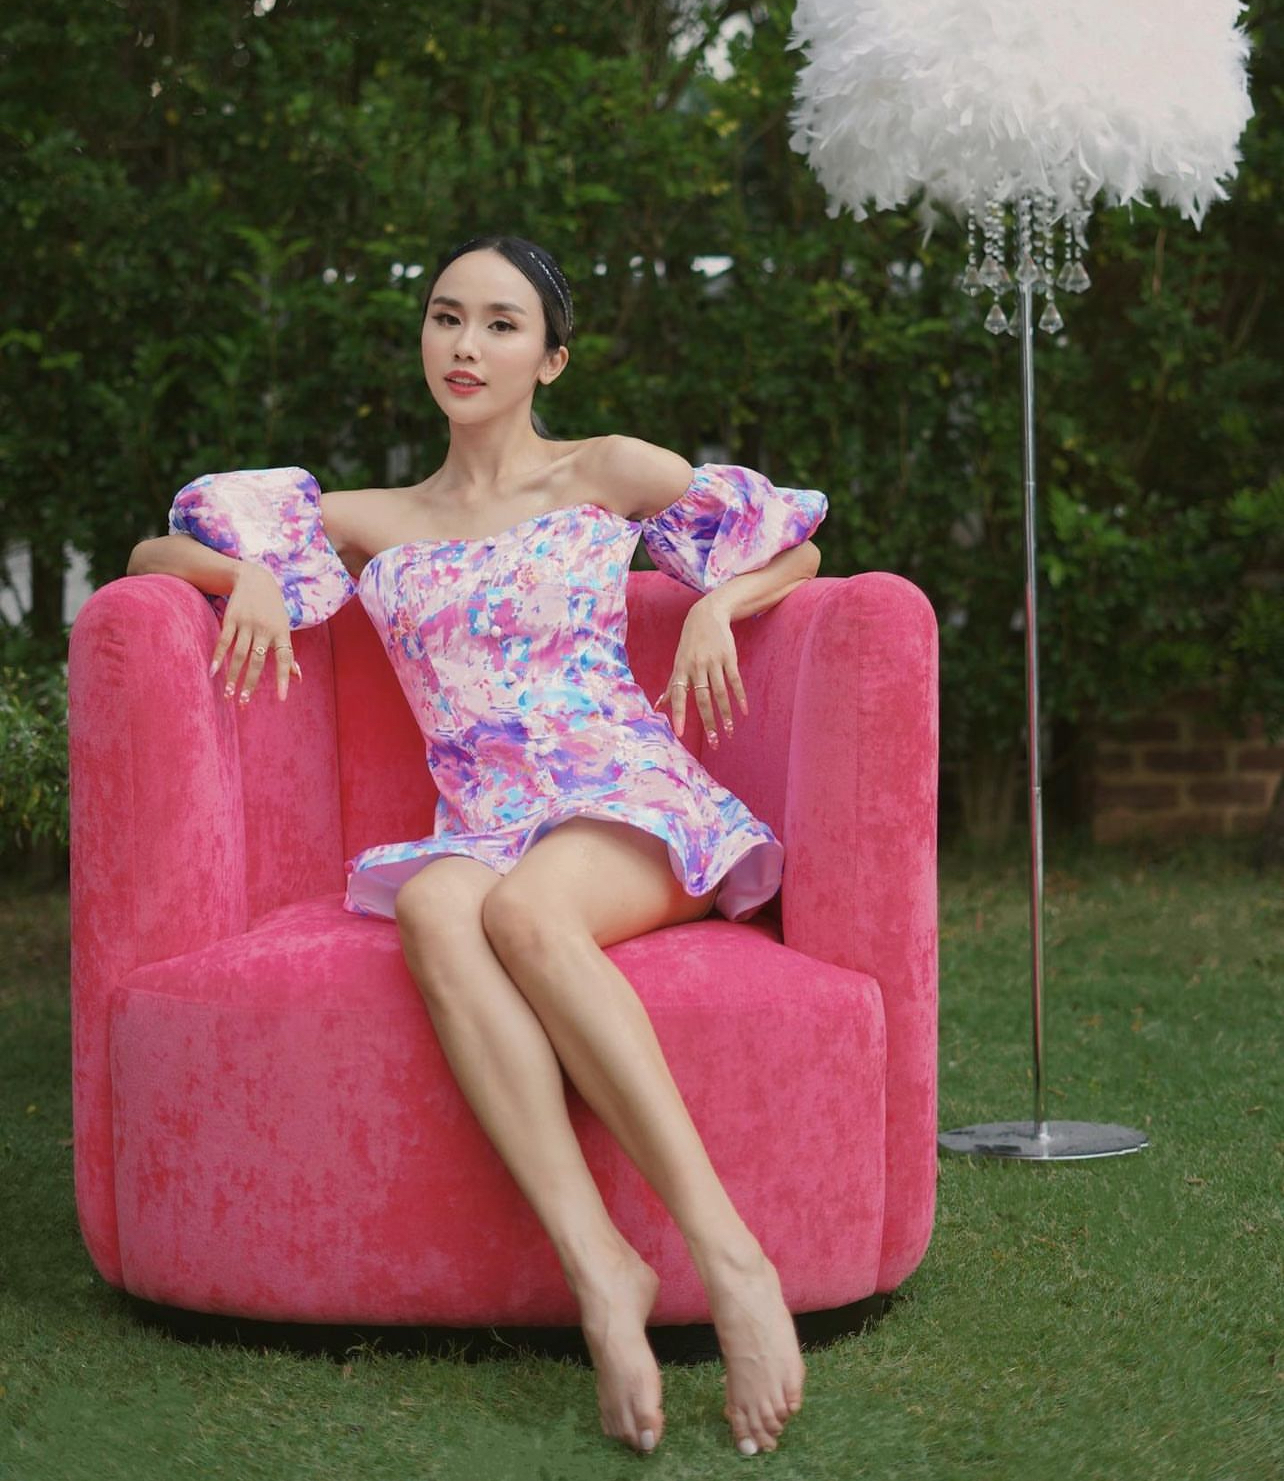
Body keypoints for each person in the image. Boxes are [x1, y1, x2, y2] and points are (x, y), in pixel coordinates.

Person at [127, 232, 828, 1459]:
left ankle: (731, 1257)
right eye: (447, 316)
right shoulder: (375, 517)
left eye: (502, 323)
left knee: (523, 913)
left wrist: (718, 600)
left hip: (626, 791)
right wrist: (242, 579)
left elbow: (796, 545)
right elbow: (149, 555)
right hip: (487, 820)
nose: (466, 344)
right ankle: (600, 1268)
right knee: (438, 905)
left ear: (551, 358)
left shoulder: (606, 469)